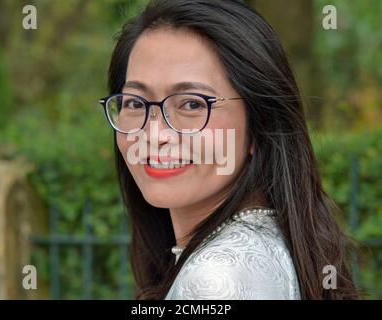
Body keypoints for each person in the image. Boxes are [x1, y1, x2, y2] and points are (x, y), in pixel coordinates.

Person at [99, 0, 358, 299]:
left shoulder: (216, 280)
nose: (154, 135)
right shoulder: (271, 245)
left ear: (258, 126)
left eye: (192, 104)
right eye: (134, 102)